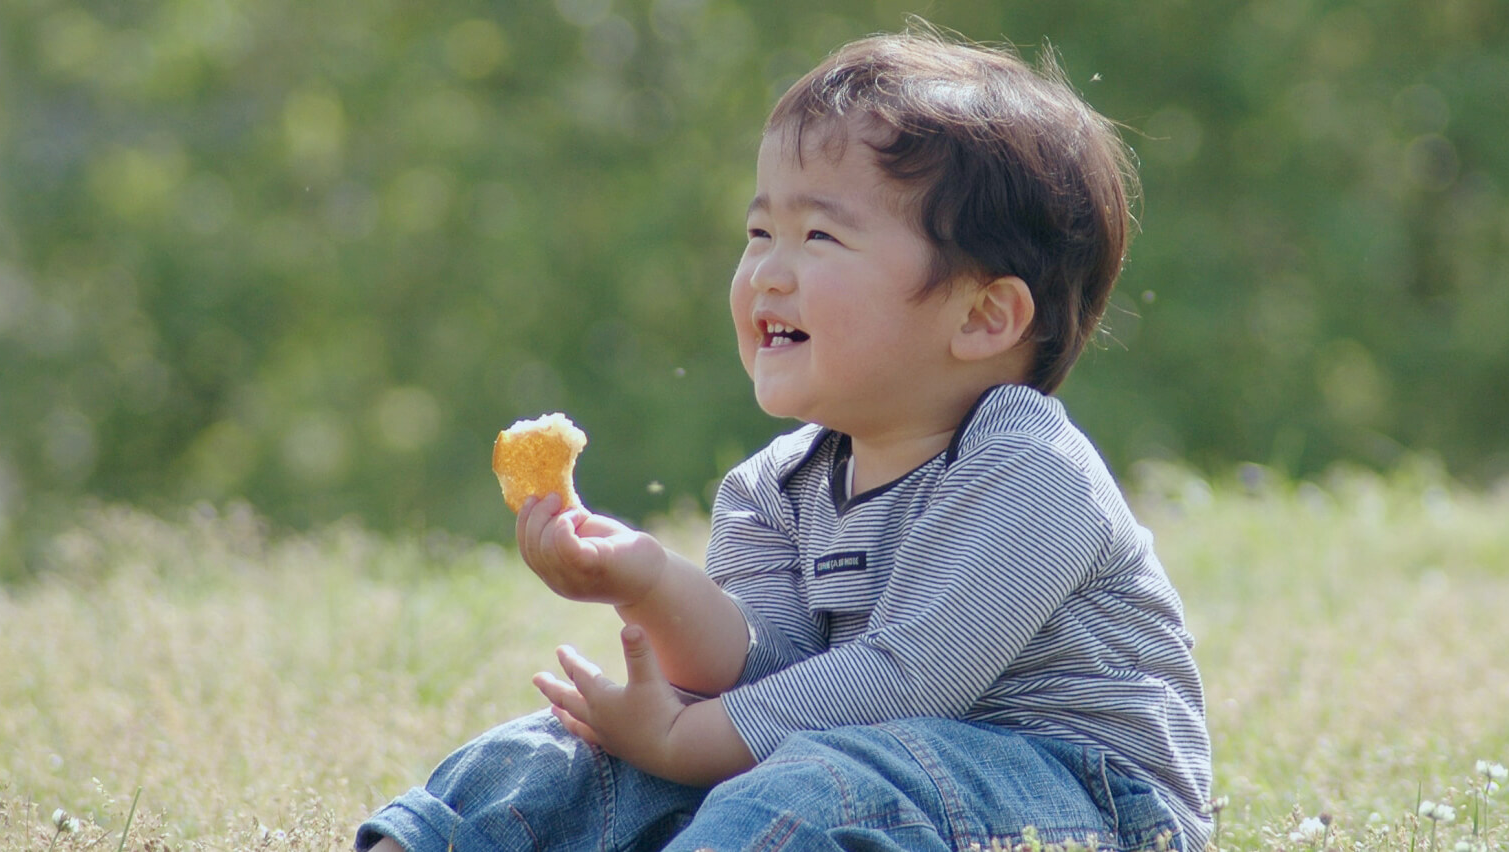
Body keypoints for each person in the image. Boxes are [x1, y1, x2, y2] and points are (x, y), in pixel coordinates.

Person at [358, 25, 1212, 852]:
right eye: (760, 232)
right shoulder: (777, 485)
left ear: (984, 314)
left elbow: (905, 682)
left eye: (819, 236)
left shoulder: (1030, 470)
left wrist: (682, 742)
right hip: (861, 769)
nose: (767, 269)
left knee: (815, 783)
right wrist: (646, 582)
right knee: (570, 748)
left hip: (1084, 798)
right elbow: (758, 676)